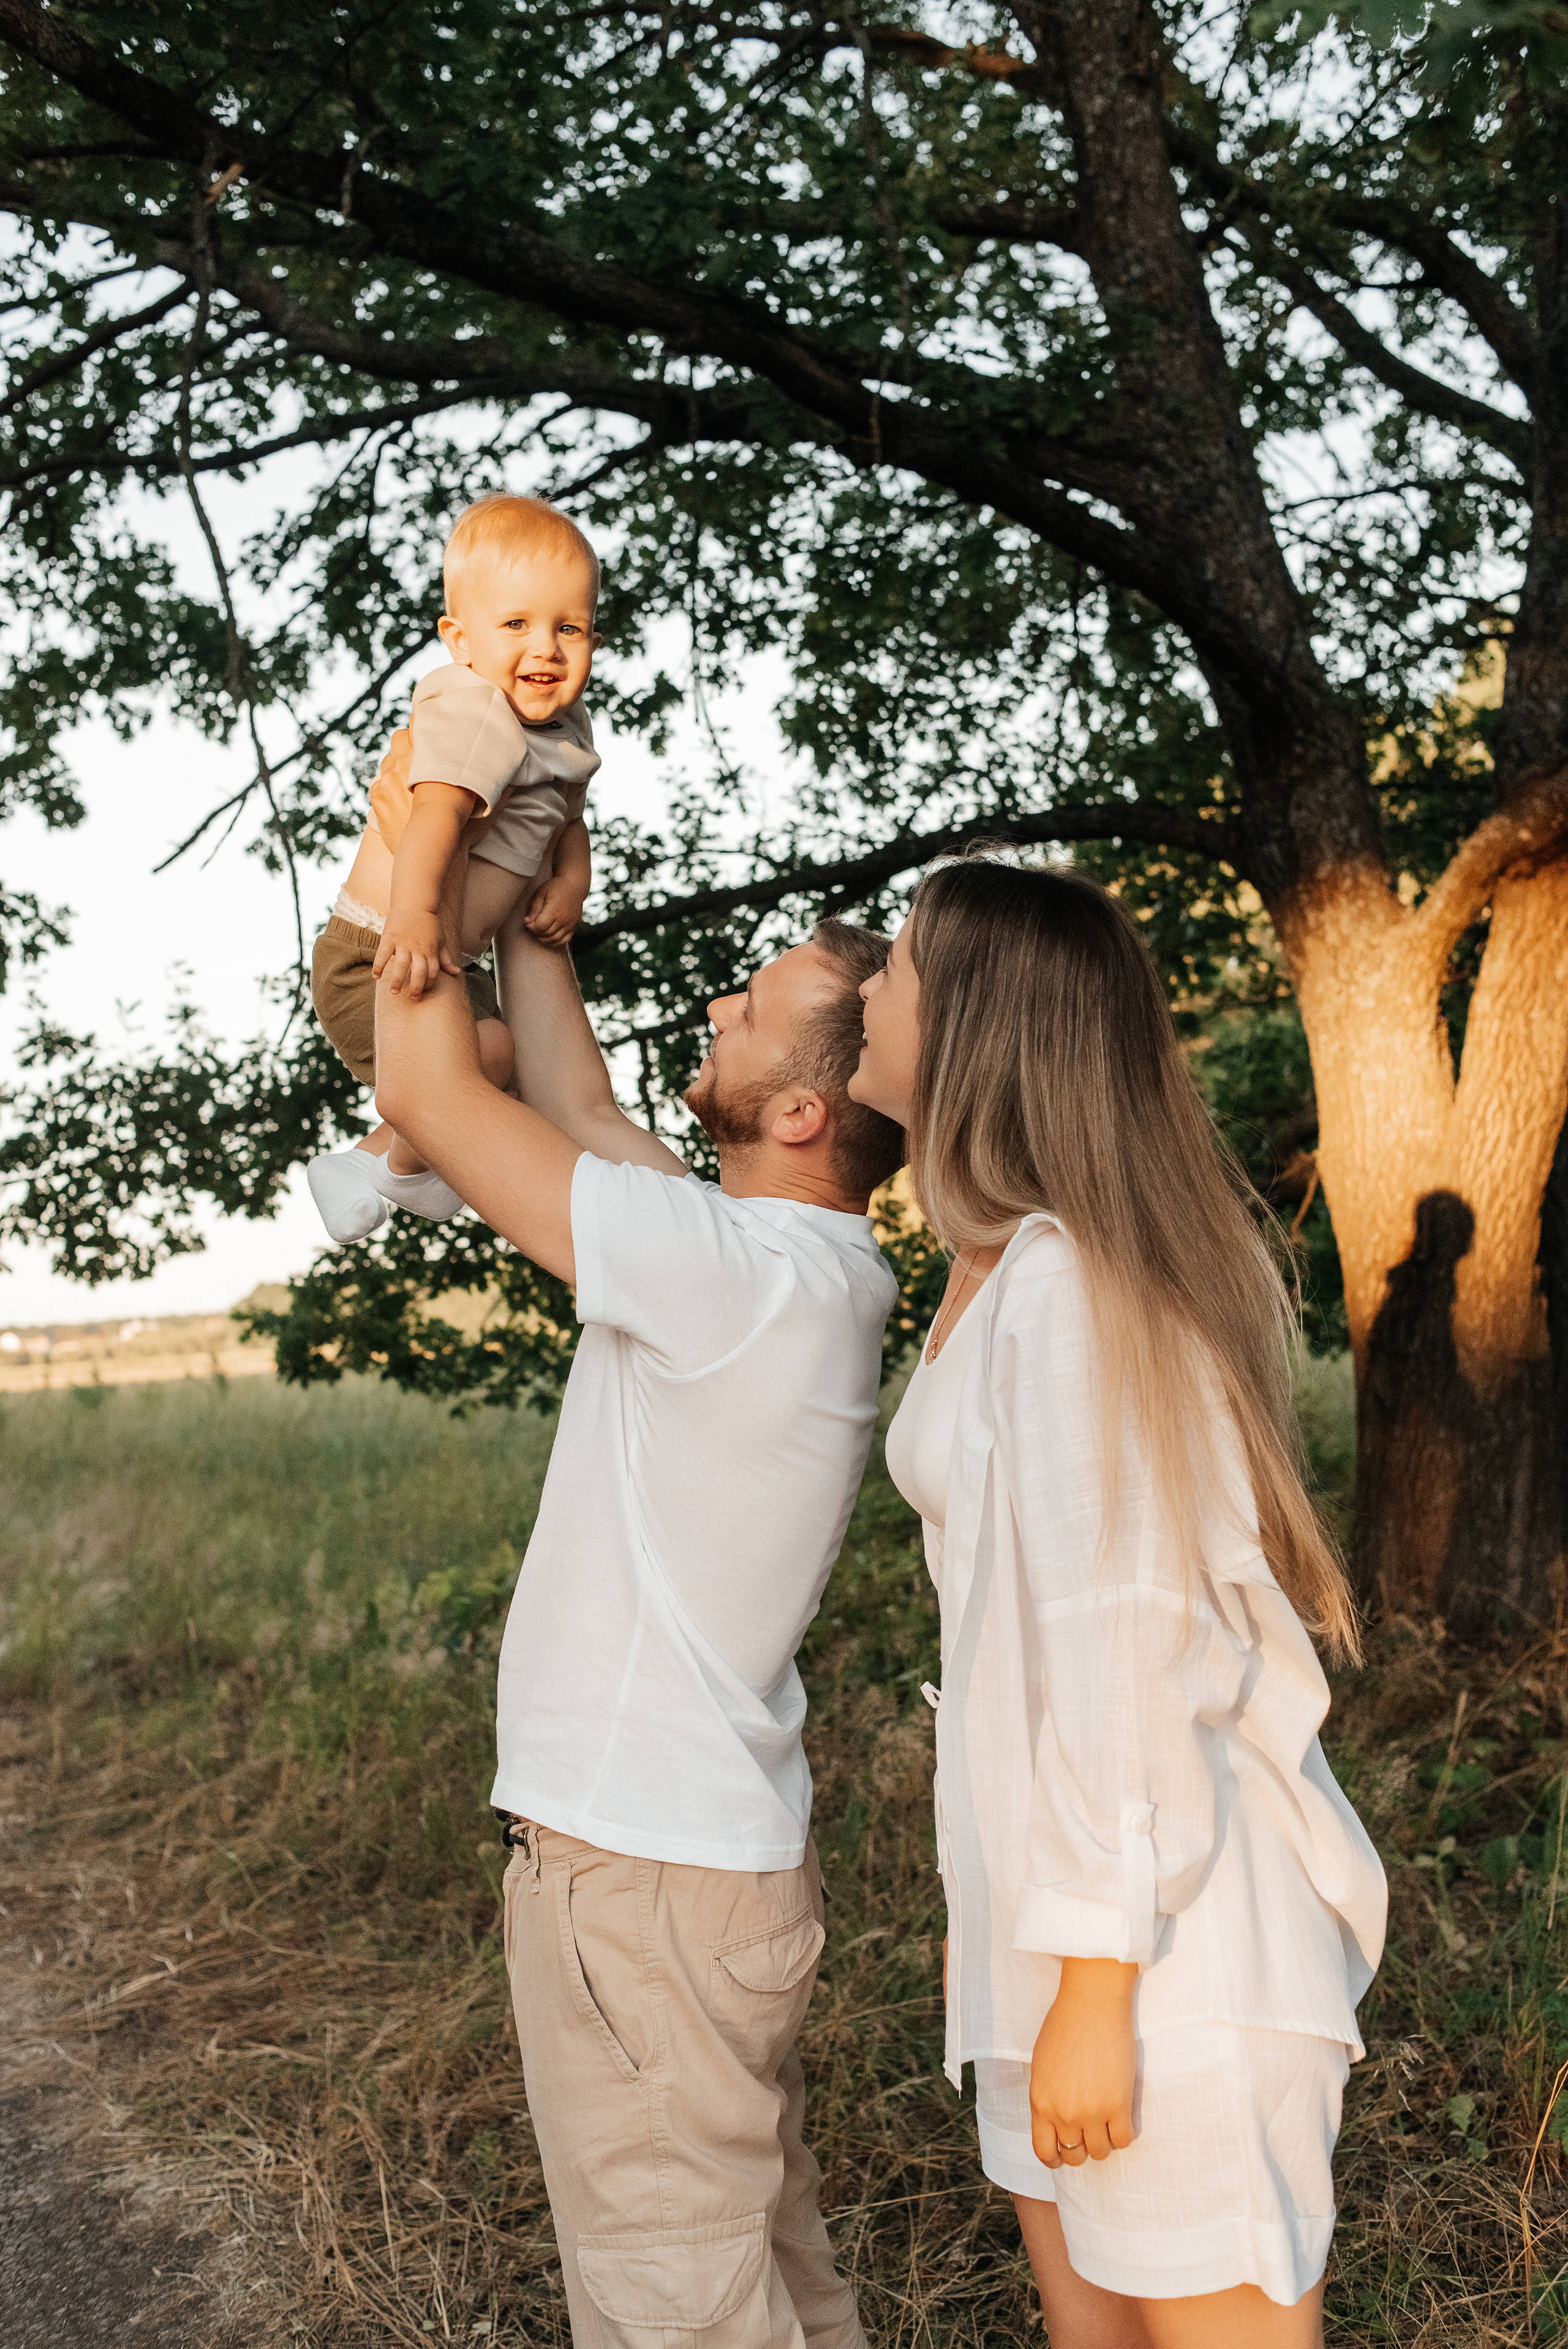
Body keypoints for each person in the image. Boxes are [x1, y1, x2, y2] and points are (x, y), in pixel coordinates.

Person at [850, 856, 1387, 2349]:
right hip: (1055, 1935)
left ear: (972, 1023)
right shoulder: (1007, 1266)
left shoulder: (1073, 1292)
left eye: (894, 964)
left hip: (1158, 1961)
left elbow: (1126, 1641)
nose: (866, 988)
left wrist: (1091, 1983)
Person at [374, 915, 907, 2349]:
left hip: (643, 1884)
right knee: (762, 2278)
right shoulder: (789, 1261)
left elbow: (430, 1093)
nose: (720, 1000)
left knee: (678, 2309)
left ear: (801, 1110)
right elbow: (581, 1107)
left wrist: (429, 852)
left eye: (757, 1005)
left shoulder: (727, 1274)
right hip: (705, 1872)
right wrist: (537, 929)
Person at [307, 492, 677, 1243]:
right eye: (516, 625)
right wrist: (413, 917)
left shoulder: (567, 730)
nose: (546, 648)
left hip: (451, 952)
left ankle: (389, 1165)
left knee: (496, 1067)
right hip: (380, 944)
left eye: (568, 628)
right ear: (460, 639)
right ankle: (380, 1163)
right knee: (489, 1060)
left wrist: (572, 883)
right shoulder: (471, 708)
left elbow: (567, 824)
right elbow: (432, 823)